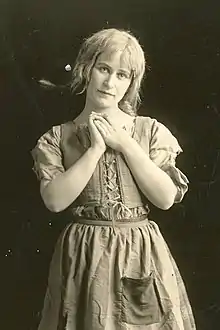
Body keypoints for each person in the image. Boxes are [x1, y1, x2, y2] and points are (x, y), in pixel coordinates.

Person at [31, 28, 196, 330]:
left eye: (122, 75)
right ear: (86, 69)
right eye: (103, 69)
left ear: (132, 83)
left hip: (140, 253)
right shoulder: (58, 138)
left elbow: (165, 198)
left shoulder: (149, 132)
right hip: (83, 256)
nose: (110, 82)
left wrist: (126, 145)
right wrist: (94, 150)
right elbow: (54, 201)